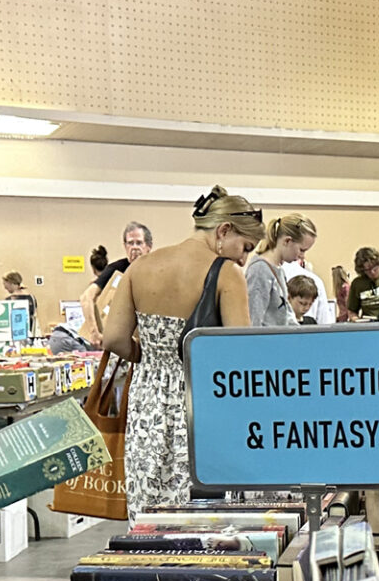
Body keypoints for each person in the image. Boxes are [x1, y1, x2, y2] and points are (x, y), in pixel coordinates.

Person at [101, 186, 260, 513]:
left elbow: (114, 339)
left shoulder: (139, 267)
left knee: (149, 510)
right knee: (204, 516)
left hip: (147, 405)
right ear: (223, 231)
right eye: (245, 246)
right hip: (203, 404)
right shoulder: (227, 274)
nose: (244, 258)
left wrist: (147, 357)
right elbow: (240, 356)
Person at [78, 222, 152, 347]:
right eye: (130, 243)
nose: (134, 248)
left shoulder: (157, 269)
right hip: (119, 342)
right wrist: (94, 332)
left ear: (148, 246)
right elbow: (86, 298)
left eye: (139, 243)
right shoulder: (116, 269)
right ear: (125, 246)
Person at [246, 213, 316, 327]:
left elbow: (287, 315)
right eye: (301, 250)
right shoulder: (260, 270)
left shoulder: (279, 271)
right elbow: (253, 321)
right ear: (287, 241)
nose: (302, 256)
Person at [282, 254, 333, 330]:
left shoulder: (311, 321)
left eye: (310, 304)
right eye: (302, 303)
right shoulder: (282, 322)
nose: (306, 308)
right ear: (289, 298)